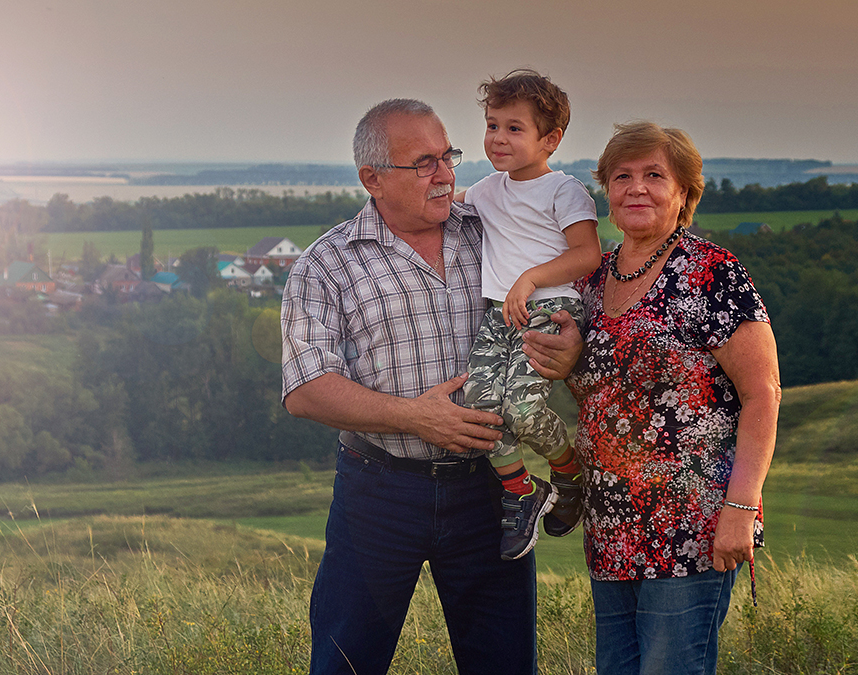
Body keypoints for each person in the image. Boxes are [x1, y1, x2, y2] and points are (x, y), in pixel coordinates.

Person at [281, 98, 582, 675]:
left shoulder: (491, 228)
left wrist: (570, 348)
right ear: (372, 178)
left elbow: (572, 302)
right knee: (347, 661)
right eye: (423, 163)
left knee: (504, 663)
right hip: (379, 494)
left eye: (449, 156)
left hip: (491, 492)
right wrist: (415, 417)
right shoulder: (326, 264)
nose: (445, 174)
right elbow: (306, 388)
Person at [566, 121, 780, 675]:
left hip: (693, 525)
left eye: (654, 175)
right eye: (622, 176)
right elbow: (600, 391)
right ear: (607, 193)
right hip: (611, 525)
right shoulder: (593, 281)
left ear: (684, 192)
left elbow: (763, 393)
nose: (636, 188)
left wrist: (740, 507)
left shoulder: (712, 272)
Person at [455, 69, 602, 560]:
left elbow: (587, 255)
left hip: (548, 306)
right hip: (501, 314)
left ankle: (567, 470)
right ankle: (522, 490)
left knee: (521, 409)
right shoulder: (486, 189)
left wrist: (531, 278)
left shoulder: (564, 191)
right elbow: (447, 205)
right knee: (476, 410)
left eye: (514, 128)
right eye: (492, 124)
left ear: (551, 139)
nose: (498, 137)